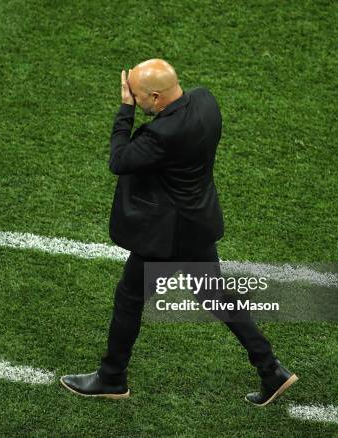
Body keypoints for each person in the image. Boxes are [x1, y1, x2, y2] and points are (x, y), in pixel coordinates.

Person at [60, 59, 297, 406]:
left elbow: (120, 160)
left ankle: (111, 377)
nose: (137, 101)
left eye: (140, 97)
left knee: (129, 298)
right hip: (197, 224)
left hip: (167, 237)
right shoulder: (205, 100)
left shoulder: (161, 134)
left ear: (156, 98)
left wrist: (125, 111)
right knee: (216, 296)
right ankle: (270, 369)